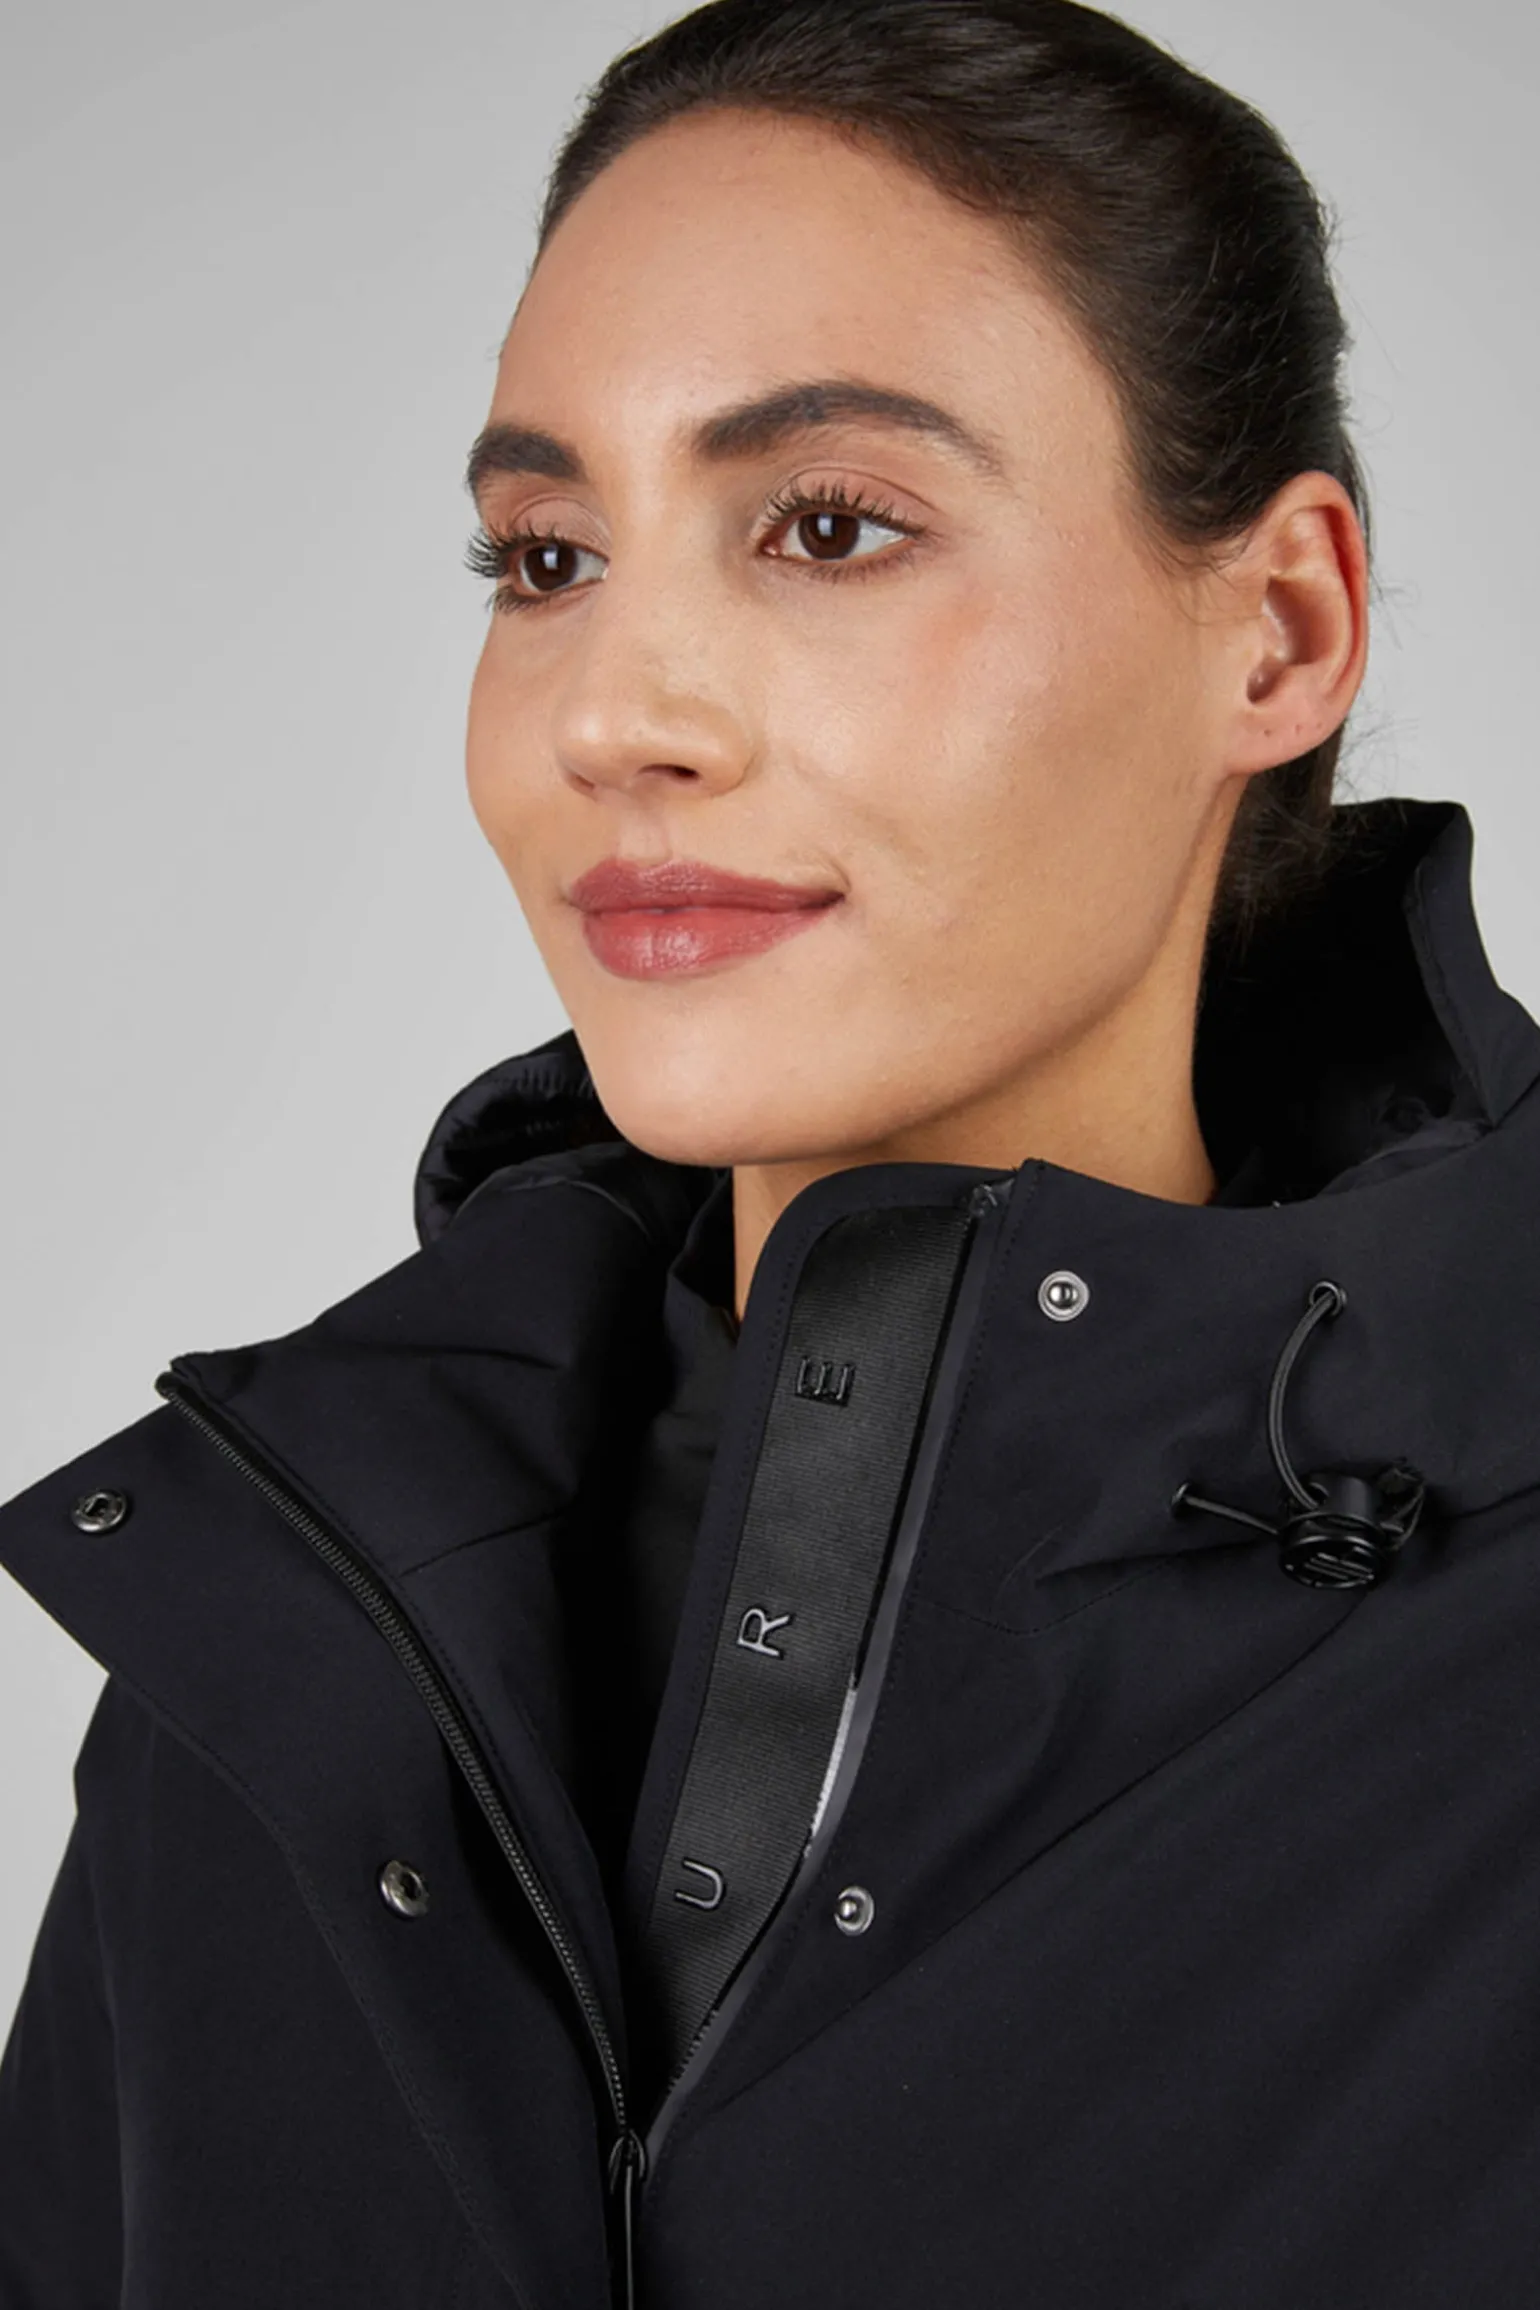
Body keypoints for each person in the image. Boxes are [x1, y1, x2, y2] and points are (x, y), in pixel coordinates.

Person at [3, 0, 1537, 2302]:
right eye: (546, 558)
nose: (614, 715)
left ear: (1276, 631)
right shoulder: (279, 1657)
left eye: (827, 526)